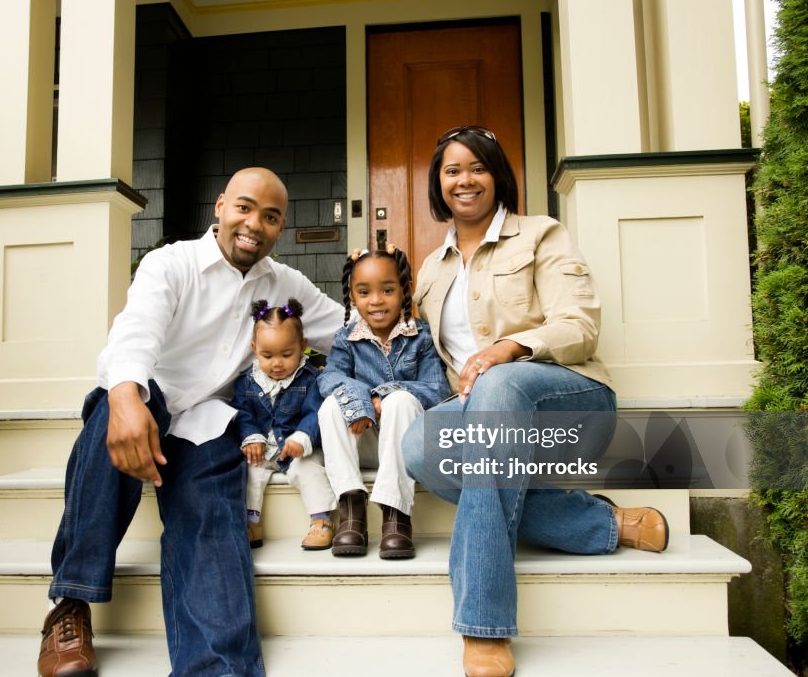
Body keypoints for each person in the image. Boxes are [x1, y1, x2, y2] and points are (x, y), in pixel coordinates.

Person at [37, 168, 344, 677]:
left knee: (211, 523)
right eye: (244, 207)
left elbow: (347, 332)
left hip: (209, 421)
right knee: (119, 405)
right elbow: (135, 334)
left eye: (270, 217)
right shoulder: (171, 263)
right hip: (148, 400)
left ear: (280, 226)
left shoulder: (284, 284)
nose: (254, 224)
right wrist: (126, 397)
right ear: (220, 206)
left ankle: (217, 668)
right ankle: (69, 604)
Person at [401, 126, 670, 677]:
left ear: (497, 175)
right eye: (452, 170)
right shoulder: (432, 269)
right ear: (438, 184)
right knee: (418, 445)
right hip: (491, 427)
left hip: (569, 403)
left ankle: (483, 624)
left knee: (499, 387)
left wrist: (507, 349)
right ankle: (605, 526)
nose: (464, 179)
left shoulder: (541, 236)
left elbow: (580, 326)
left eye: (477, 167)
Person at [317, 245, 450, 559]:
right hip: (362, 444)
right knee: (332, 405)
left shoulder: (421, 336)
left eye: (387, 290)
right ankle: (351, 509)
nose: (375, 301)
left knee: (402, 400)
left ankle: (396, 515)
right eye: (364, 292)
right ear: (352, 295)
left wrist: (387, 392)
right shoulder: (346, 338)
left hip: (404, 446)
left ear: (404, 290)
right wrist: (363, 399)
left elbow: (437, 389)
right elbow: (328, 379)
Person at [232, 298, 337, 551]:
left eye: (286, 354)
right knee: (250, 473)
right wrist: (252, 437)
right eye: (267, 355)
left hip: (296, 450)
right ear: (254, 348)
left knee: (310, 471)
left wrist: (303, 438)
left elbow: (316, 413)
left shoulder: (310, 378)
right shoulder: (247, 382)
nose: (277, 363)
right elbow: (242, 412)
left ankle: (321, 520)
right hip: (264, 449)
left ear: (302, 346)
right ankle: (251, 522)